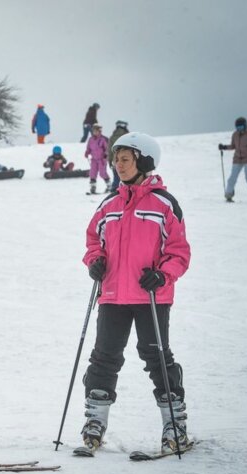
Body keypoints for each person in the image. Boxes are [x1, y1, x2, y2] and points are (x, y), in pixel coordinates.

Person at [81, 132, 191, 454]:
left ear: (144, 161)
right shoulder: (109, 204)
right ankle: (95, 421)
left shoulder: (164, 204)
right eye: (116, 159)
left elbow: (179, 252)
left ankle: (175, 425)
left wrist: (162, 275)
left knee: (156, 357)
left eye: (125, 159)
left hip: (151, 296)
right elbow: (93, 241)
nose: (118, 164)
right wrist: (95, 262)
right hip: (113, 294)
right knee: (104, 357)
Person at [219, 117, 247, 202]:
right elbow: (233, 146)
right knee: (232, 178)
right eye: (237, 127)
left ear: (245, 126)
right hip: (237, 159)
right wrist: (224, 147)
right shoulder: (235, 134)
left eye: (241, 127)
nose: (239, 129)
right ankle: (228, 195)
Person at [85, 124, 110, 193]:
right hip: (94, 159)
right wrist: (87, 152)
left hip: (102, 159)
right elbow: (88, 148)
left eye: (96, 131)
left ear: (99, 131)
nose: (95, 132)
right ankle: (93, 187)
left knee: (102, 173)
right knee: (92, 173)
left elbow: (107, 148)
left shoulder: (103, 139)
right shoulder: (91, 139)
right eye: (94, 131)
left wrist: (106, 154)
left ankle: (109, 185)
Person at [107, 120, 129, 192]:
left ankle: (114, 190)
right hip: (127, 161)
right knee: (127, 176)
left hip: (116, 161)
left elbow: (109, 151)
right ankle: (127, 190)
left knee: (116, 176)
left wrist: (110, 161)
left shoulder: (112, 137)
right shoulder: (128, 136)